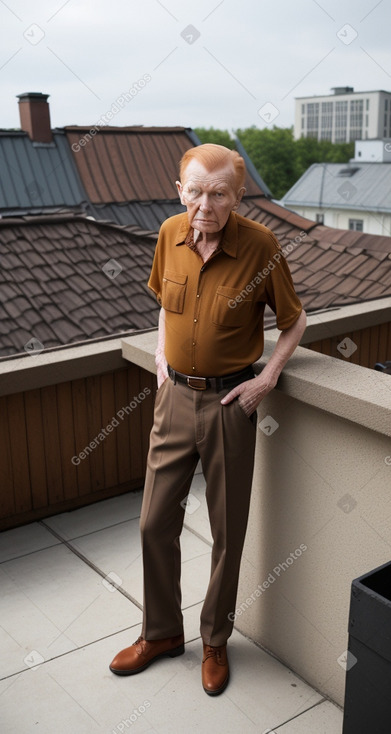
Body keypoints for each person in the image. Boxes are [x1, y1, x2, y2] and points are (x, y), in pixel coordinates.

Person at [109, 144, 307, 695]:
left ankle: (215, 640)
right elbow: (161, 303)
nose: (205, 204)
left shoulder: (261, 247)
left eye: (218, 193)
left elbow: (295, 322)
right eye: (194, 191)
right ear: (179, 191)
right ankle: (162, 633)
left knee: (227, 530)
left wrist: (267, 379)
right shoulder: (169, 234)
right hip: (174, 399)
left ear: (237, 197)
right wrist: (159, 352)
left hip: (229, 405)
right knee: (153, 522)